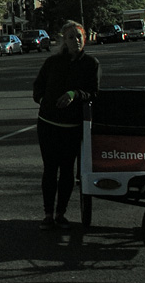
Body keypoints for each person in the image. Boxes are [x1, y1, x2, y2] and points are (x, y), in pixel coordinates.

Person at [31, 20, 100, 230]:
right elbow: (38, 88)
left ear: (85, 39)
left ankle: (61, 212)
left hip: (71, 127)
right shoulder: (53, 62)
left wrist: (74, 94)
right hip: (48, 124)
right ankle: (48, 213)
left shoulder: (91, 64)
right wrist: (44, 100)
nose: (75, 41)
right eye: (71, 37)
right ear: (64, 41)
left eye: (79, 37)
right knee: (50, 169)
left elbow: (93, 92)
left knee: (67, 171)